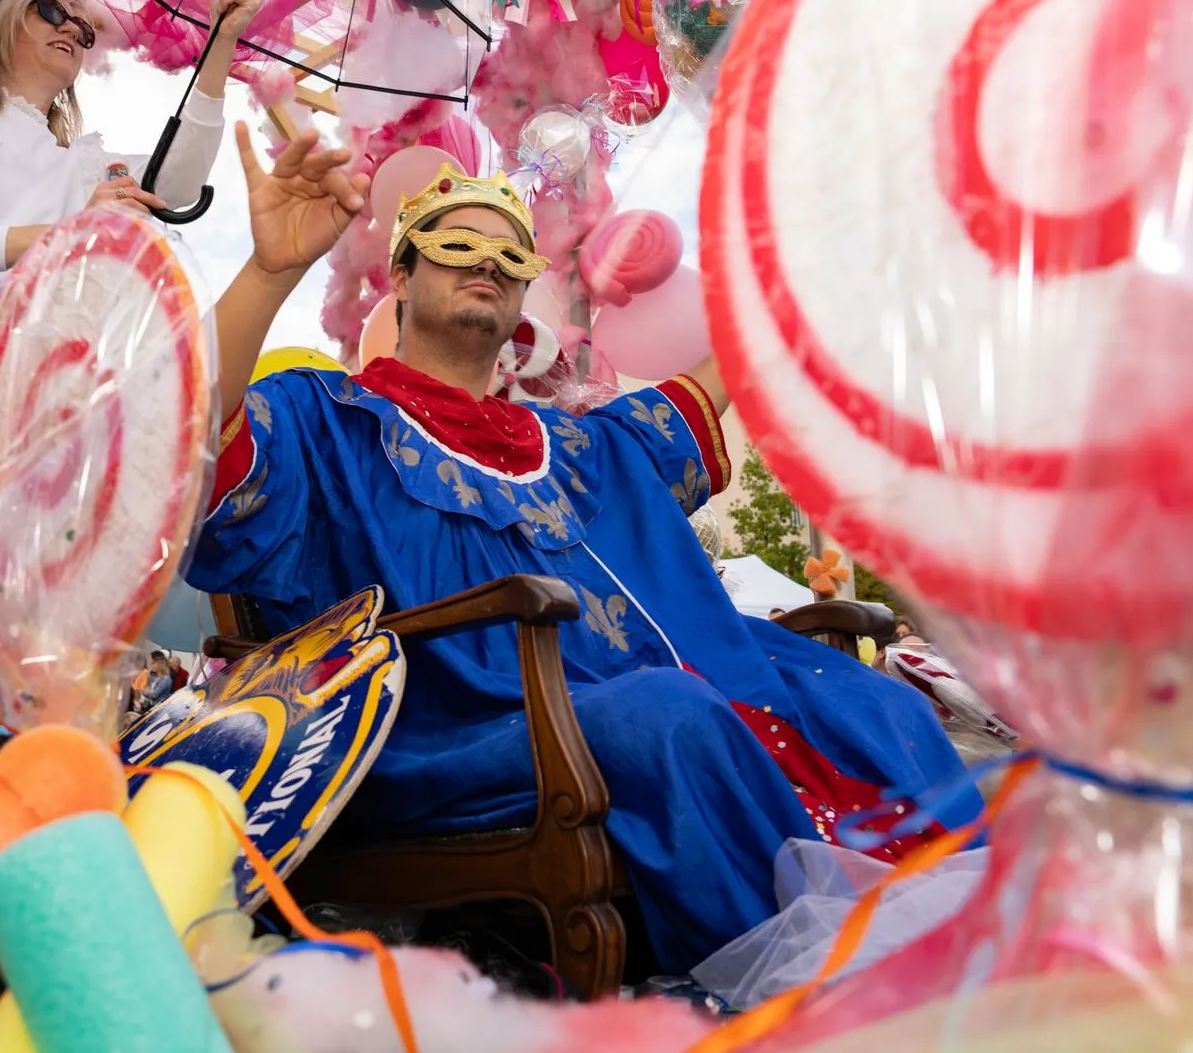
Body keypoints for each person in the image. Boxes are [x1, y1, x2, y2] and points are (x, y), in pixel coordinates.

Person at [184, 125, 980, 976]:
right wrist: (270, 273)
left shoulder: (583, 444)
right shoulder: (324, 419)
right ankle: (820, 996)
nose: (485, 262)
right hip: (461, 728)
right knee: (666, 718)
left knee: (871, 701)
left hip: (667, 700)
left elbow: (719, 380)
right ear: (402, 278)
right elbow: (190, 436)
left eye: (510, 253)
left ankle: (984, 952)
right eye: (454, 244)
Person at [0, 0, 262, 397]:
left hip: (16, 380)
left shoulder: (83, 165)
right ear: (2, 18)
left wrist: (223, 40)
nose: (72, 31)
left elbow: (178, 183)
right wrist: (70, 234)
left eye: (85, 32)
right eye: (53, 12)